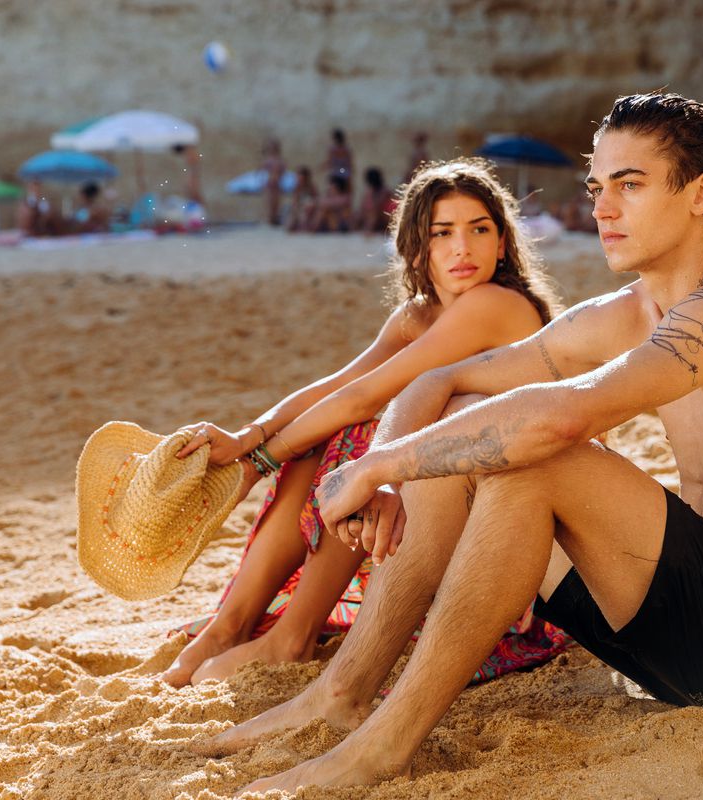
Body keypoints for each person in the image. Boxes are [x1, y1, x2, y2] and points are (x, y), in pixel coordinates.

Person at [199, 92, 703, 794]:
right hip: (680, 638)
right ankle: (342, 693)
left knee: (537, 460)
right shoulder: (627, 313)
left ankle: (385, 745)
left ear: (701, 193)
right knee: (474, 433)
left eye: (630, 186)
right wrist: (383, 472)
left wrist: (384, 463)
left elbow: (566, 416)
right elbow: (443, 381)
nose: (602, 209)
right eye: (597, 187)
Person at [161, 158, 565, 688]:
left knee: (358, 442)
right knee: (320, 442)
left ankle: (292, 636)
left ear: (503, 243)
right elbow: (338, 385)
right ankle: (228, 626)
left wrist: (258, 462)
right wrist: (247, 438)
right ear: (418, 248)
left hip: (509, 532)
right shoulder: (419, 315)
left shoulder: (495, 305)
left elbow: (362, 399)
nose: (462, 248)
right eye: (442, 233)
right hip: (447, 506)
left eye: (479, 230)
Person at [356, 167, 393, 233]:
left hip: (383, 217)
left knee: (372, 215)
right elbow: (363, 207)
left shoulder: (385, 192)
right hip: (372, 216)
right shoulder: (369, 192)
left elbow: (378, 206)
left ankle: (369, 231)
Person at [261, 138, 287, 226]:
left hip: (277, 182)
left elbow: (283, 169)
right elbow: (263, 170)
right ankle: (271, 218)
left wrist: (277, 176)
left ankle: (275, 217)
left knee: (276, 200)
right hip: (270, 182)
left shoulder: (279, 160)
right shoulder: (268, 159)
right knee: (270, 200)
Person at [286, 166, 319, 232]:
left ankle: (304, 226)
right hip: (300, 208)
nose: (297, 177)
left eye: (299, 175)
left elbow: (316, 199)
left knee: (307, 208)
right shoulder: (297, 187)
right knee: (290, 225)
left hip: (310, 208)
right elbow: (295, 202)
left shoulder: (311, 187)